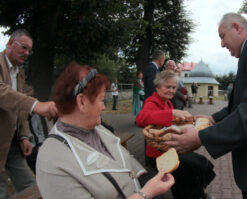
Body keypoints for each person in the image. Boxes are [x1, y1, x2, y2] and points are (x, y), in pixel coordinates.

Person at [167, 12, 247, 199]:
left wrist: (201, 137)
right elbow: (241, 104)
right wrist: (213, 118)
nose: (222, 44)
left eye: (222, 36)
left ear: (237, 27)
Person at [36, 62, 174, 199]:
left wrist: (142, 175)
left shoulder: (97, 128)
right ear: (81, 102)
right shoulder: (53, 162)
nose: (103, 108)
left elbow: (124, 156)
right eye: (102, 100)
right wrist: (146, 193)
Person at [136, 70, 215, 199]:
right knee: (185, 168)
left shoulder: (168, 102)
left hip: (170, 148)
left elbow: (171, 123)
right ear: (157, 87)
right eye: (167, 87)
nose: (171, 91)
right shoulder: (151, 101)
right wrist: (172, 113)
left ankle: (196, 193)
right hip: (158, 154)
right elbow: (141, 119)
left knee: (200, 161)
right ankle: (196, 195)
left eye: (174, 87)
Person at [0, 29, 57, 198]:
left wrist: (24, 136)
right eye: (23, 47)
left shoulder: (19, 73)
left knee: (30, 187)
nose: (26, 53)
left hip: (12, 143)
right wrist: (36, 105)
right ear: (10, 43)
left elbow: (20, 108)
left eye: (29, 50)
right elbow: (3, 93)